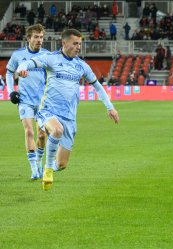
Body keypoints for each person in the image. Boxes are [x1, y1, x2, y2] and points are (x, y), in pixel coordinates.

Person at [16, 29, 119, 190]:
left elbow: (97, 86)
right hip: (48, 111)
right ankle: (48, 169)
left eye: (80, 44)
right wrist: (22, 68)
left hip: (69, 117)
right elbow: (30, 62)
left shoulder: (81, 66)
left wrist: (110, 107)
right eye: (75, 43)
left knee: (62, 164)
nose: (78, 47)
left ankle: (50, 167)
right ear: (64, 43)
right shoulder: (51, 59)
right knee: (57, 130)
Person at [6, 24, 49, 180]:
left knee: (42, 135)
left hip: (43, 101)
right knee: (29, 131)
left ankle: (38, 161)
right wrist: (11, 91)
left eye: (41, 37)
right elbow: (9, 73)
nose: (39, 40)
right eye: (36, 37)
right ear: (29, 38)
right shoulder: (18, 55)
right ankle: (33, 169)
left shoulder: (46, 55)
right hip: (25, 100)